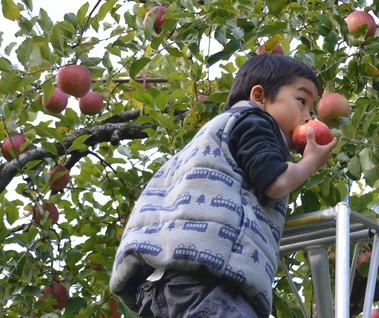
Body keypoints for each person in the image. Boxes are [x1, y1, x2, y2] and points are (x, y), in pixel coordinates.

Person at [110, 53, 338, 317]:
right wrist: (310, 161)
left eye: (311, 109)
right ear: (259, 96)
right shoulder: (255, 121)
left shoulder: (207, 140)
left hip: (157, 287)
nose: (308, 117)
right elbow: (276, 183)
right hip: (208, 285)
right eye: (302, 101)